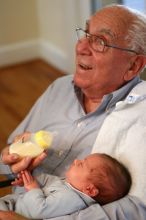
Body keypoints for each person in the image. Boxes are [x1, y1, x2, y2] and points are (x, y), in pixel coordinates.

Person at [0, 3, 146, 220]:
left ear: (133, 66)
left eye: (100, 42)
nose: (81, 47)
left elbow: (137, 208)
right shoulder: (60, 87)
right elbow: (8, 158)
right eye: (86, 33)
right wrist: (13, 158)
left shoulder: (139, 116)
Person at [0, 153, 131, 219]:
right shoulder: (71, 186)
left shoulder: (72, 199)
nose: (76, 160)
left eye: (81, 164)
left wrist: (32, 188)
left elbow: (39, 210)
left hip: (12, 211)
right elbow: (49, 181)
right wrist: (29, 180)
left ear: (89, 189)